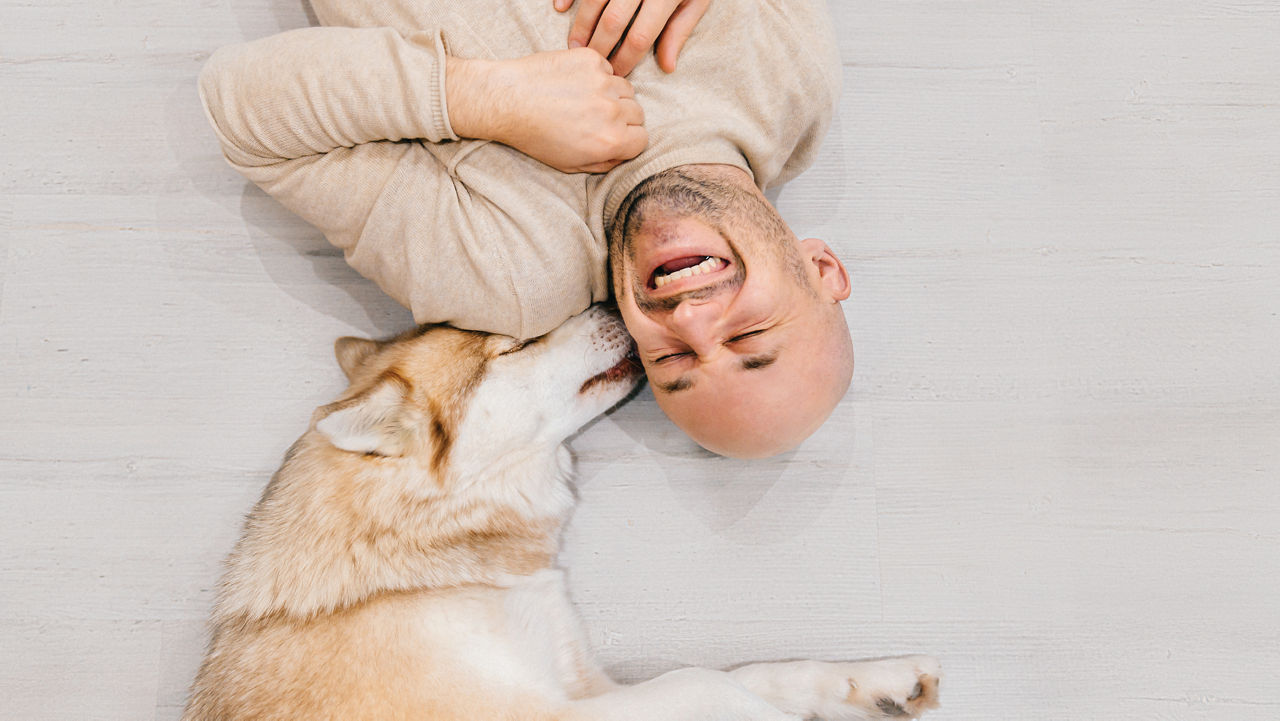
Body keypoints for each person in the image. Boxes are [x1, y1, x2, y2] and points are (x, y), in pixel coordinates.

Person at [198, 0, 851, 457]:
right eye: (749, 333)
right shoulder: (793, 83)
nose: (691, 320)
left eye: (672, 358)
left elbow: (241, 111)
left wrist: (483, 99)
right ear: (820, 268)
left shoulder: (509, 271)